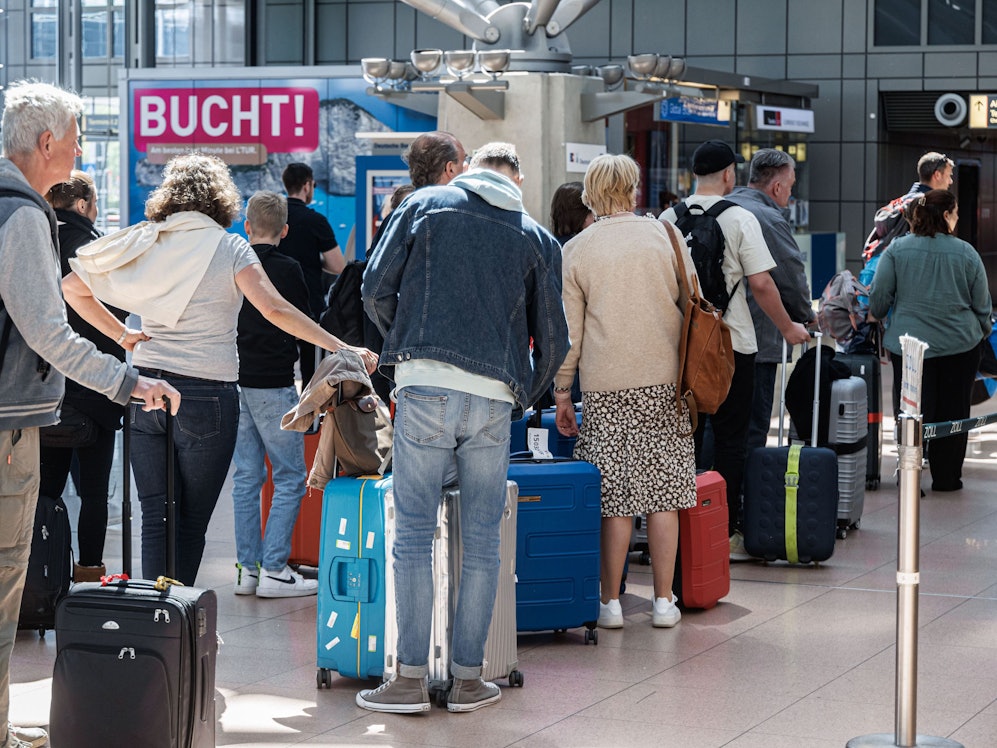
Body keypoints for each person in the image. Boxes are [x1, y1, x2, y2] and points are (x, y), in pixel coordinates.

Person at [63, 153, 378, 587]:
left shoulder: (145, 239)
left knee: (155, 516)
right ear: (220, 199)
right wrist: (341, 346)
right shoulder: (230, 247)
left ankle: (156, 615)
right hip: (206, 396)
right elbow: (273, 309)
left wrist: (123, 335)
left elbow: (72, 287)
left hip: (145, 389)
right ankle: (179, 611)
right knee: (191, 521)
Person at [358, 142, 569, 713]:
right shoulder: (536, 237)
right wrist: (523, 392)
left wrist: (407, 347)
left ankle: (408, 682)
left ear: (468, 170)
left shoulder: (423, 205)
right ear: (517, 181)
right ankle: (469, 680)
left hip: (424, 386)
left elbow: (374, 288)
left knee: (412, 536)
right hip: (494, 398)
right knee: (482, 543)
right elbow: (556, 340)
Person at [0, 80, 179, 748]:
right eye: (75, 142)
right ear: (47, 142)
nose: (79, 154)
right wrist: (128, 381)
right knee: (3, 579)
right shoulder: (21, 214)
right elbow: (48, 331)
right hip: (6, 426)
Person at [553, 154, 698, 631]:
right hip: (665, 384)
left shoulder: (577, 249)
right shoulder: (666, 235)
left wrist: (562, 393)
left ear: (591, 193)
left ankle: (610, 603)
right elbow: (692, 302)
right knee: (663, 495)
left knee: (615, 498)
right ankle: (663, 602)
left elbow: (571, 334)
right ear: (633, 188)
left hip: (606, 388)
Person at [660, 140, 810, 561]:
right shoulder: (740, 217)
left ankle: (678, 529)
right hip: (733, 346)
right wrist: (789, 328)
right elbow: (761, 283)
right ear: (729, 174)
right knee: (731, 440)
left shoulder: (668, 218)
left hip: (682, 348)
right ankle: (721, 532)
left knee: (685, 440)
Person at [869, 189, 991, 492]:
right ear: (946, 215)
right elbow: (983, 306)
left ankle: (910, 479)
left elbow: (879, 302)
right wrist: (980, 332)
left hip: (909, 348)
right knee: (954, 412)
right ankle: (947, 479)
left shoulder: (896, 250)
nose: (957, 218)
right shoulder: (966, 252)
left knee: (912, 412)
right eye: (956, 213)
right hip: (960, 346)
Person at [39, 170, 127, 584]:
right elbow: (119, 308)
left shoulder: (37, 242)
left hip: (46, 388)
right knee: (94, 492)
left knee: (46, 491)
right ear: (81, 204)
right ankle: (90, 572)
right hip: (94, 388)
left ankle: (42, 572)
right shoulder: (95, 250)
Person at [230, 191, 318, 598]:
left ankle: (246, 571)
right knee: (290, 477)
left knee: (247, 478)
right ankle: (275, 569)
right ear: (284, 230)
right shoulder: (289, 269)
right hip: (275, 385)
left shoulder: (235, 266)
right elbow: (303, 328)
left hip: (236, 383)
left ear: (247, 226)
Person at [726, 149, 815, 467]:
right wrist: (806, 317)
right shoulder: (768, 218)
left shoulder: (724, 206)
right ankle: (744, 493)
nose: (790, 193)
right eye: (790, 186)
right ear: (777, 187)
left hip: (711, 337)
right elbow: (790, 276)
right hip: (757, 337)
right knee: (752, 426)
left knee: (718, 425)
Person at [851, 152, 956, 354]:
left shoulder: (900, 201)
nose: (951, 181)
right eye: (949, 175)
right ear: (937, 175)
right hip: (902, 290)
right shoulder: (925, 204)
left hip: (875, 281)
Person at [279, 162, 347, 386]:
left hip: (276, 302)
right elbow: (338, 265)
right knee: (312, 374)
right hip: (309, 305)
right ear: (307, 185)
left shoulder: (275, 217)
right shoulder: (316, 221)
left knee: (279, 371)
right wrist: (314, 260)